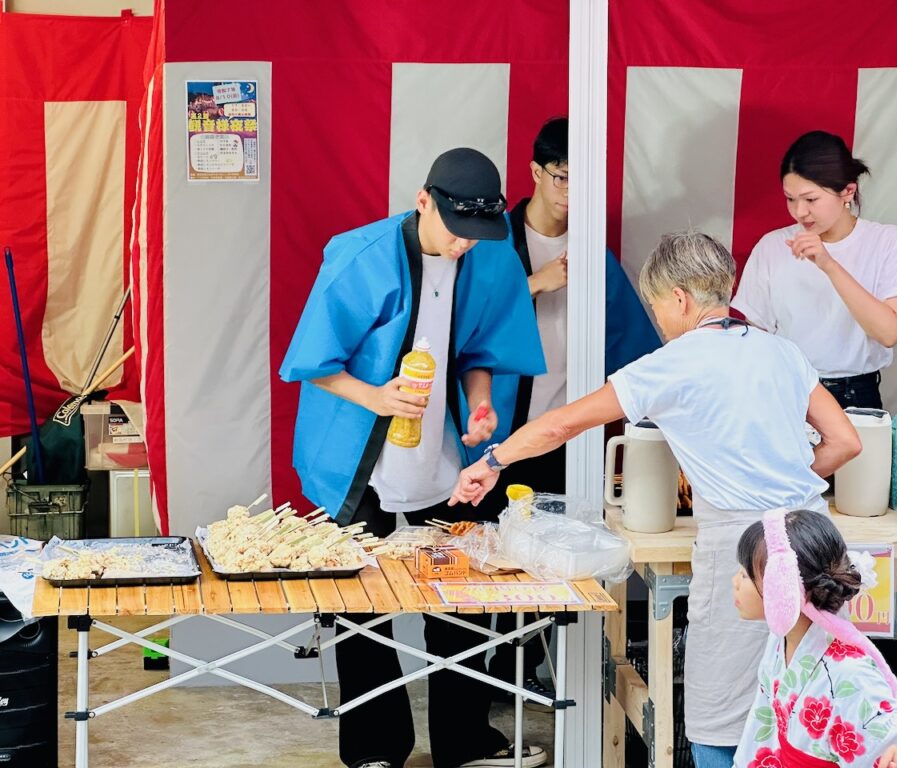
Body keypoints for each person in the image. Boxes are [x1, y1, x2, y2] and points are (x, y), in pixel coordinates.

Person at [449, 231, 862, 768]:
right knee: (812, 703)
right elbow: (845, 442)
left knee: (722, 714)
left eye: (656, 306)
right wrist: (780, 482)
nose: (658, 321)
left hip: (747, 549)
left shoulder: (672, 362)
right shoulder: (781, 350)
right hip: (818, 535)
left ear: (680, 299)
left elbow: (562, 424)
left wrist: (491, 462)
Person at [280, 148, 548, 768]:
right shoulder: (362, 256)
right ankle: (374, 749)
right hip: (358, 452)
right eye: (455, 230)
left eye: (476, 234)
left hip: (444, 450)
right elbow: (315, 361)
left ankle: (466, 740)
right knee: (360, 605)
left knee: (463, 598)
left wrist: (481, 404)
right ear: (423, 201)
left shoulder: (490, 253)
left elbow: (481, 351)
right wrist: (376, 396)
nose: (463, 244)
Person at [471, 117, 662, 704]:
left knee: (554, 562)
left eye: (585, 182)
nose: (573, 192)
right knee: (486, 564)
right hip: (495, 430)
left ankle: (534, 676)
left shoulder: (591, 251)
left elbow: (636, 347)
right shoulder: (491, 241)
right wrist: (536, 282)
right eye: (563, 177)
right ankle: (484, 682)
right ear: (535, 173)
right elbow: (465, 325)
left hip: (566, 436)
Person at [732, 509, 897, 768]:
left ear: (783, 587)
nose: (735, 582)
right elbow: (764, 730)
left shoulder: (847, 671)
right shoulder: (780, 641)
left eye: (745, 575)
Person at [733, 130, 897, 409]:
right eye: (790, 198)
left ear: (848, 191)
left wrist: (829, 265)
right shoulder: (772, 246)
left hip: (855, 394)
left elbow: (889, 333)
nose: (799, 212)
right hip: (787, 389)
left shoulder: (888, 242)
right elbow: (756, 339)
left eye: (810, 199)